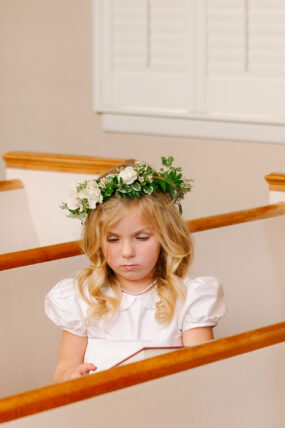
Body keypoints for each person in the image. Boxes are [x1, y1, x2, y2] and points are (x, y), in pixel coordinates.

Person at [46, 157, 225, 380]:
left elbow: (204, 373)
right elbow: (62, 371)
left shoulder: (188, 298)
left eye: (141, 238)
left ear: (166, 237)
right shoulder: (83, 297)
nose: (127, 251)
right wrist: (72, 376)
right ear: (98, 243)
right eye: (113, 240)